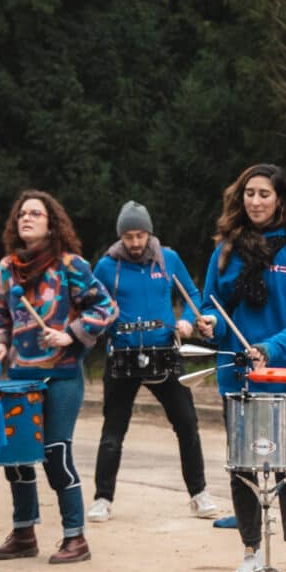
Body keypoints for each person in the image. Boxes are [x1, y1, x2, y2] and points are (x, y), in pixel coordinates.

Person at [195, 165, 286, 572]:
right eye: (249, 193)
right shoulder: (225, 251)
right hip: (237, 377)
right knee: (241, 469)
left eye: (264, 194)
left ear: (281, 199)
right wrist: (207, 324)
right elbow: (210, 305)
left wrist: (270, 348)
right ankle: (250, 554)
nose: (255, 201)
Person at [0, 190, 117, 563]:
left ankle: (75, 537)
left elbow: (106, 307)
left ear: (51, 223)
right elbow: (0, 316)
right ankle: (23, 533)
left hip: (61, 374)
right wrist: (0, 343)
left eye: (35, 214)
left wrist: (70, 334)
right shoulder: (6, 269)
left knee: (55, 453)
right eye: (22, 214)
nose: (26, 219)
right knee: (16, 456)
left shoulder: (70, 264)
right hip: (19, 375)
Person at [89, 200, 215, 523]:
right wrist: (104, 324)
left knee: (186, 423)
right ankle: (103, 498)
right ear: (120, 236)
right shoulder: (106, 266)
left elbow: (193, 294)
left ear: (149, 233)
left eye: (140, 235)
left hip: (165, 352)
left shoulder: (168, 258)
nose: (134, 243)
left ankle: (199, 494)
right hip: (122, 355)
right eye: (128, 236)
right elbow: (92, 305)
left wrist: (187, 320)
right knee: (113, 429)